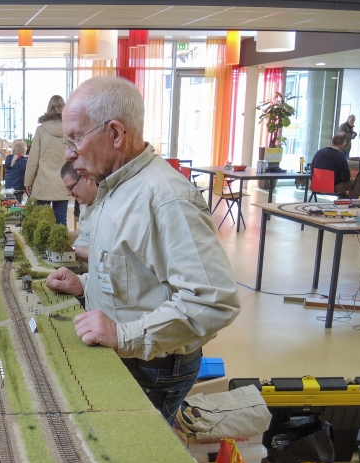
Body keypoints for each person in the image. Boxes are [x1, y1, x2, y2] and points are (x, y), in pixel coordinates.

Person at [46, 76, 240, 423]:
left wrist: (124, 334)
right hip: (129, 356)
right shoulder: (114, 187)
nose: (68, 152)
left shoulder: (165, 198)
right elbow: (132, 277)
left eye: (75, 138)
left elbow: (213, 301)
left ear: (116, 134)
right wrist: (85, 286)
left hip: (154, 368)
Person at [25, 95, 69, 226]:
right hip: (63, 182)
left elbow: (33, 159)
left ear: (48, 108)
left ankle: (41, 247)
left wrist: (28, 182)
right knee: (61, 220)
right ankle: (60, 246)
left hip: (43, 182)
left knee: (41, 220)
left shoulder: (41, 130)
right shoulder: (69, 130)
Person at [60, 160, 96, 263]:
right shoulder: (84, 201)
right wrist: (62, 238)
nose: (68, 193)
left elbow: (106, 258)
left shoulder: (106, 207)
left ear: (86, 178)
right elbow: (83, 231)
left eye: (71, 187)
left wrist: (75, 250)